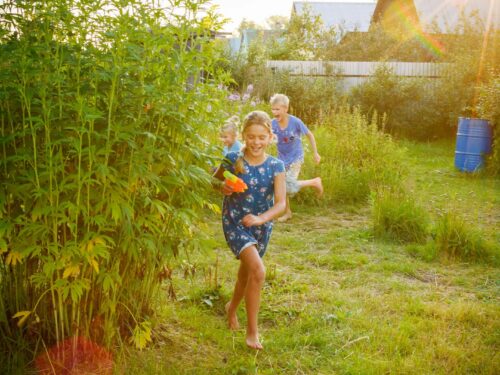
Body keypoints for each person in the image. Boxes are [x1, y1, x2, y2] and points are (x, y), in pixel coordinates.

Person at [213, 110, 286, 350]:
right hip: (235, 221)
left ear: (269, 137)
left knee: (247, 273)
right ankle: (252, 333)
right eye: (251, 137)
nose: (256, 142)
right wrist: (223, 187)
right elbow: (214, 180)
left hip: (261, 226)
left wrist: (261, 218)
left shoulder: (276, 165)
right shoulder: (234, 158)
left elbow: (281, 204)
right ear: (244, 135)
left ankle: (231, 308)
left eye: (261, 137)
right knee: (258, 270)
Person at [270, 93, 323, 222]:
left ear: (285, 109)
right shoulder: (273, 124)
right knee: (281, 185)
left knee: (286, 184)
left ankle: (315, 182)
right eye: (272, 109)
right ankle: (287, 212)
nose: (274, 112)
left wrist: (315, 153)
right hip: (281, 158)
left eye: (277, 109)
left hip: (296, 157)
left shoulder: (295, 122)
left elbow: (309, 135)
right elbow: (266, 136)